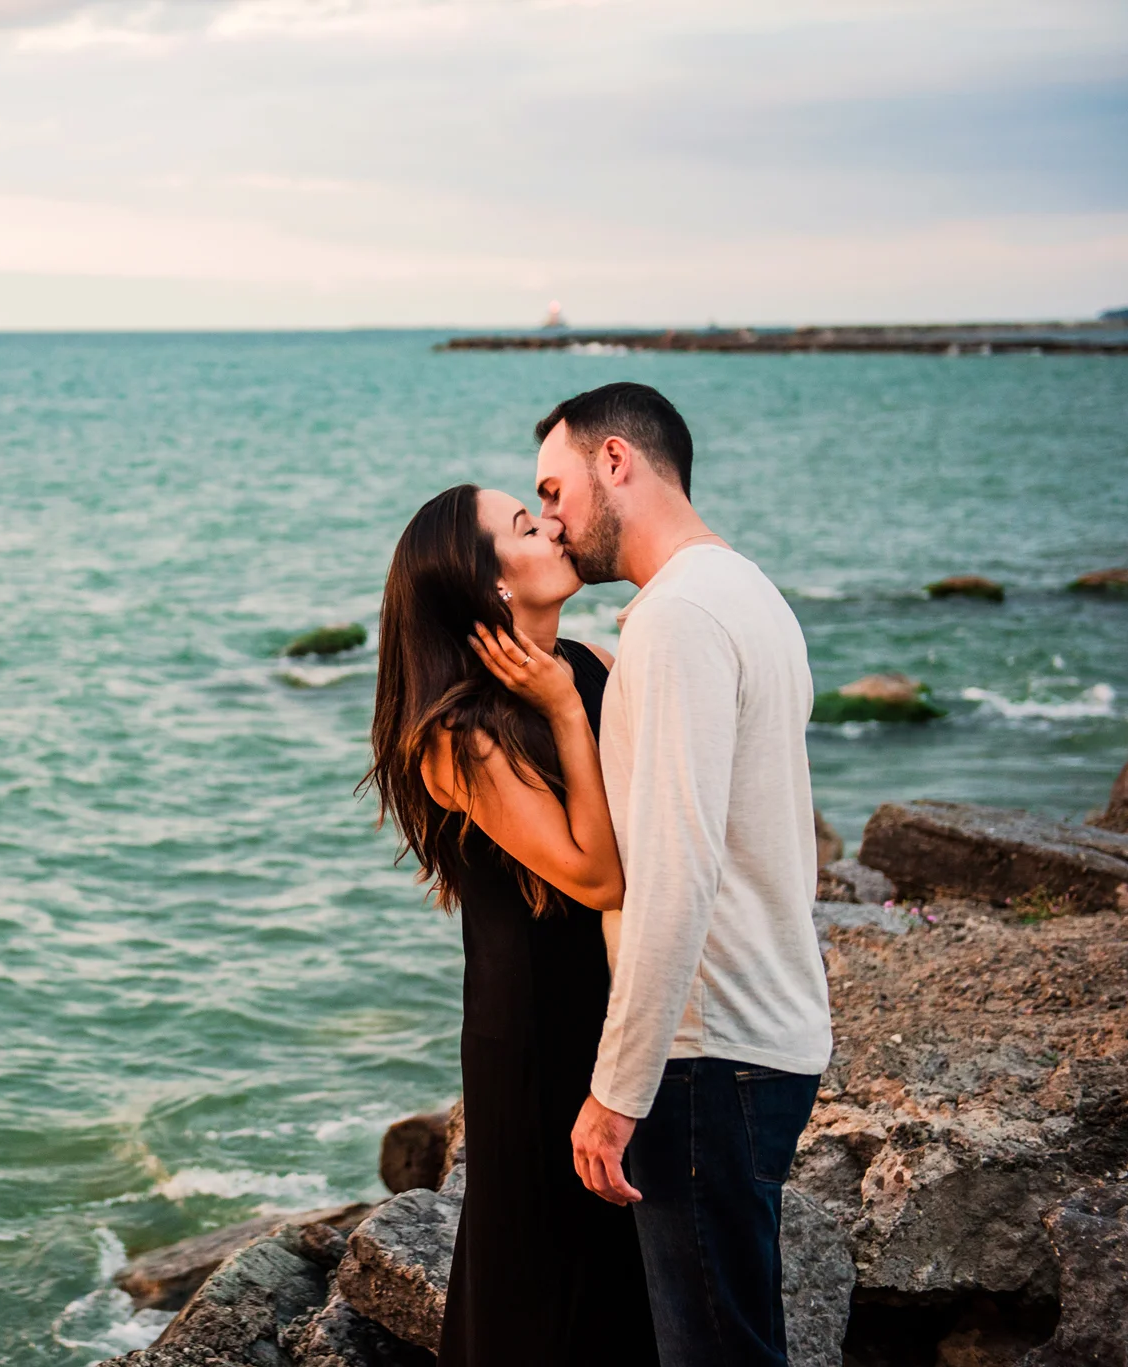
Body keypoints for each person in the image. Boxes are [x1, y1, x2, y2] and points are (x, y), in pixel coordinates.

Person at [519, 382, 833, 1367]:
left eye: (552, 488)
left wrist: (616, 1089)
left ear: (615, 460)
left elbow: (674, 874)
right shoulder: (744, 591)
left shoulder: (675, 620)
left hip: (706, 1056)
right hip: (767, 1036)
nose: (553, 522)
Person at [364, 483, 657, 1366]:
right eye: (528, 527)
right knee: (538, 1283)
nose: (556, 525)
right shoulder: (458, 734)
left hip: (616, 1004)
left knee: (620, 1285)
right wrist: (567, 709)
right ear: (493, 587)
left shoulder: (590, 658)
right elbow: (601, 876)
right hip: (532, 1034)